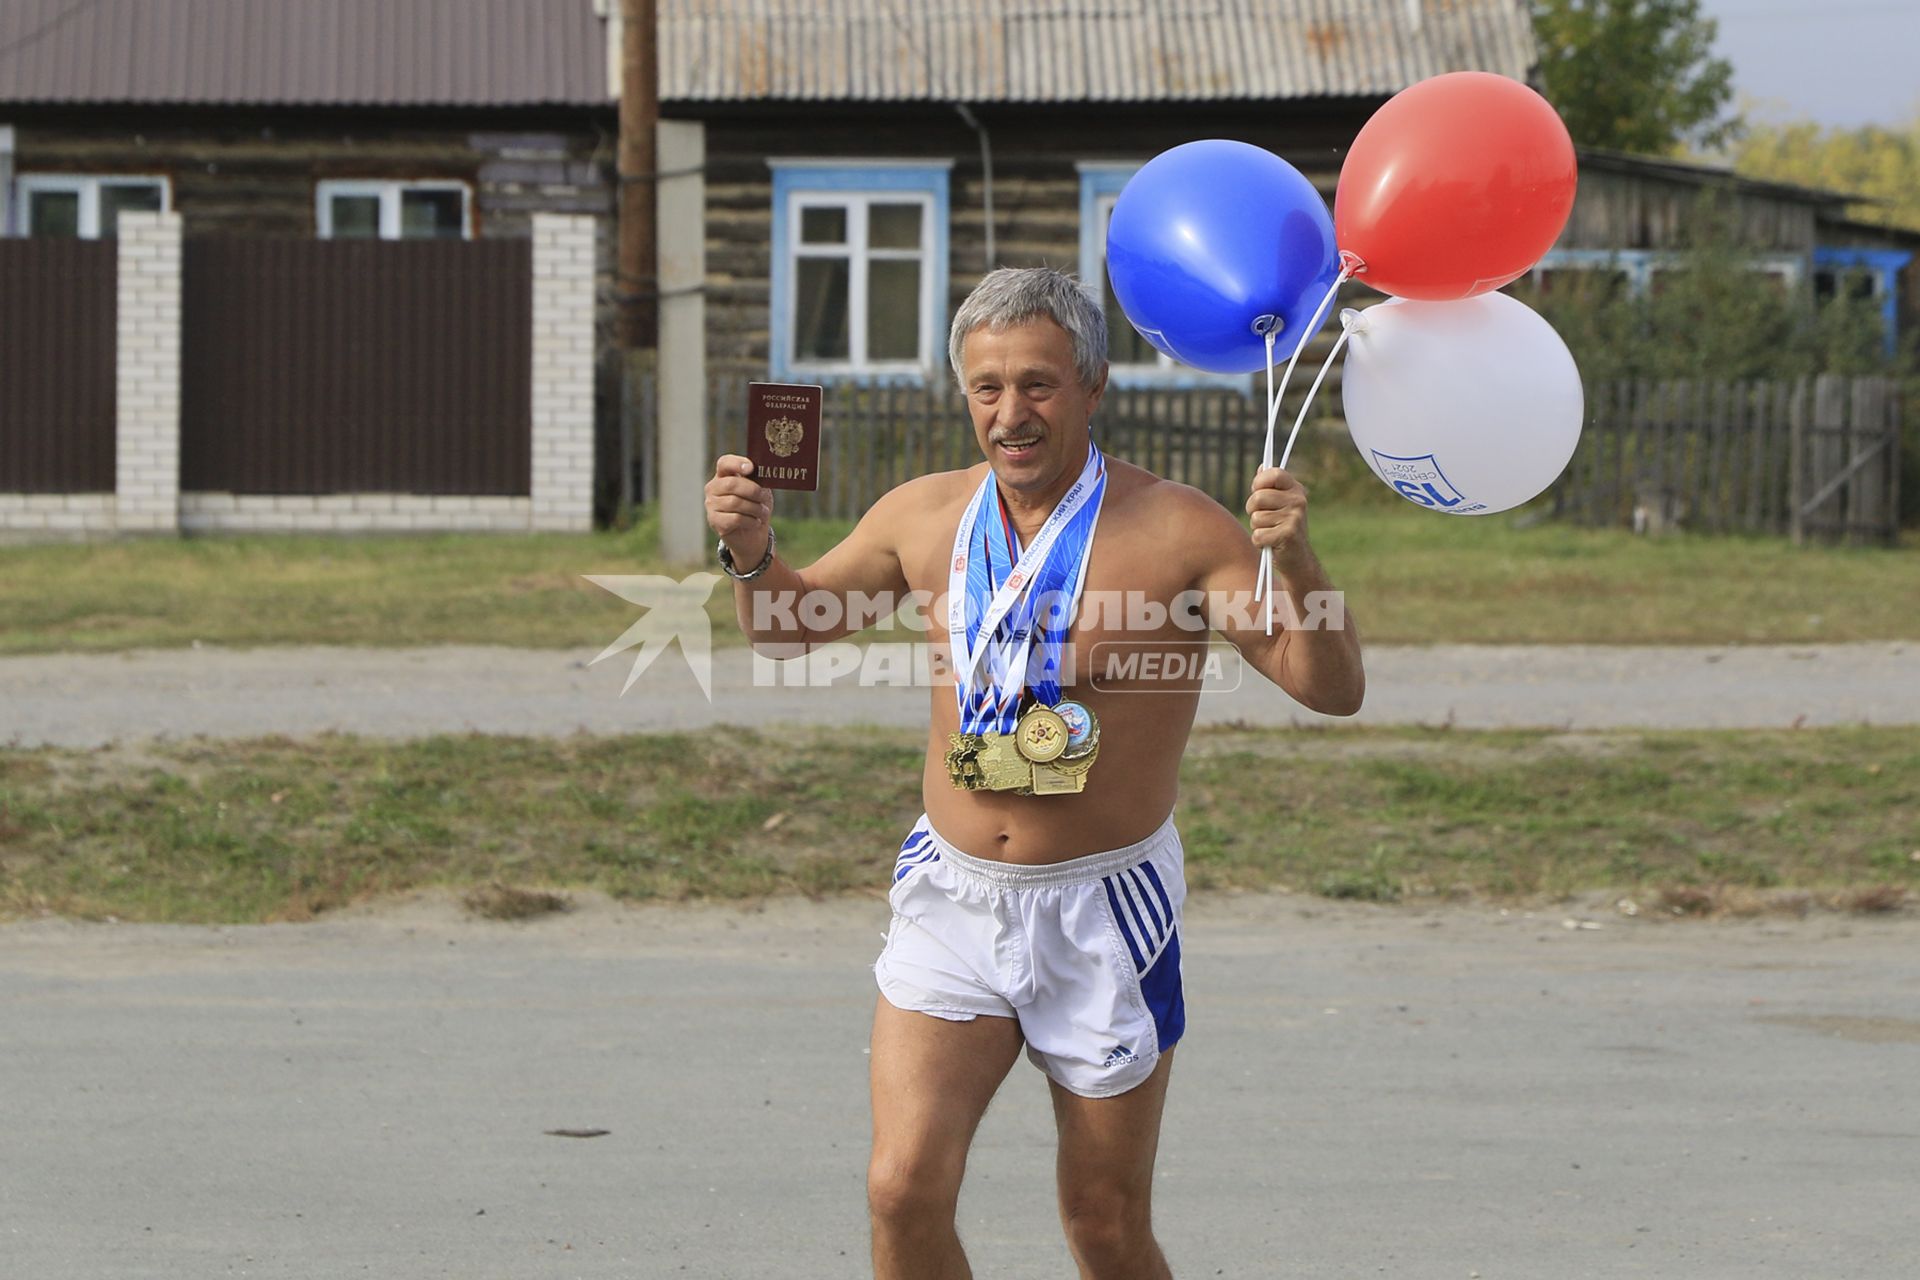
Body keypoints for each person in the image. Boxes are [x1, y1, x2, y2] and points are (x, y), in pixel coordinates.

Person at [704, 267, 1365, 1279]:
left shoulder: (1183, 529)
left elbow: (1327, 686)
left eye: (1039, 385)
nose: (1011, 414)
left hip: (1103, 907)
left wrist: (1302, 560)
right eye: (987, 388)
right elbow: (791, 628)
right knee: (900, 1186)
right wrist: (752, 552)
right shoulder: (920, 516)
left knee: (1101, 1222)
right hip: (954, 895)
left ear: (1093, 386)